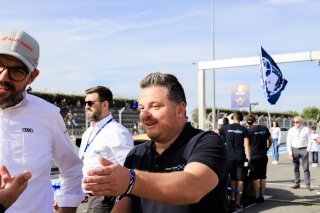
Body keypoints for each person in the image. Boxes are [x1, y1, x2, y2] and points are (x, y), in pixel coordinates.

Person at [82, 72, 228, 212]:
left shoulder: (206, 142)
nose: (145, 115)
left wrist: (131, 179)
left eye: (155, 106)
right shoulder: (137, 153)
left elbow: (192, 187)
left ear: (180, 109)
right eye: (142, 108)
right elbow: (124, 206)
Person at [0, 30, 84, 212]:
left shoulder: (48, 114)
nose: (3, 77)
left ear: (32, 76)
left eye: (17, 71)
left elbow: (72, 170)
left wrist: (66, 209)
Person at [79, 86, 134, 213]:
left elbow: (130, 171)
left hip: (107, 198)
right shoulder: (88, 133)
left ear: (105, 105)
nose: (86, 106)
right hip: (90, 197)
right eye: (84, 103)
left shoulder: (117, 132)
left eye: (90, 103)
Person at [214, 111, 250, 209]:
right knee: (240, 180)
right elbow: (246, 145)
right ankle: (238, 202)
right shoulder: (244, 129)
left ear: (233, 118)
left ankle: (233, 199)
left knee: (232, 179)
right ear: (241, 118)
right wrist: (249, 159)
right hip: (240, 157)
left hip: (229, 157)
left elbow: (215, 132)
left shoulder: (226, 128)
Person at [246, 114, 273, 203]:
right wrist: (268, 148)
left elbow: (246, 145)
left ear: (248, 122)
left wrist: (248, 158)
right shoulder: (264, 128)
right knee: (263, 176)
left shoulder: (249, 130)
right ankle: (262, 196)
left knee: (254, 177)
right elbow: (271, 140)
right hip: (263, 156)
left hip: (253, 157)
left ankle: (257, 196)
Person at [286, 116, 312, 191]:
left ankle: (307, 185)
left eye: (297, 122)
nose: (295, 123)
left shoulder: (306, 129)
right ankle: (297, 184)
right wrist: (290, 153)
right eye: (294, 122)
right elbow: (288, 142)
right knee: (295, 168)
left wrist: (308, 150)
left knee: (306, 168)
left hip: (304, 149)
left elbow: (310, 140)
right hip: (295, 150)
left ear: (301, 122)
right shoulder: (291, 130)